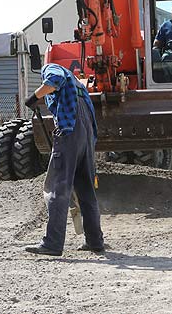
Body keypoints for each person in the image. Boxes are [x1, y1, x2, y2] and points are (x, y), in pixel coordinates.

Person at [24, 63, 104, 256]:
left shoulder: (51, 68)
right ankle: (95, 241)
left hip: (70, 133)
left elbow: (53, 81)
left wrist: (34, 97)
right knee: (86, 191)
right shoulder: (78, 84)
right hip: (86, 138)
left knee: (57, 188)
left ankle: (53, 243)